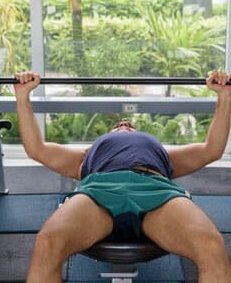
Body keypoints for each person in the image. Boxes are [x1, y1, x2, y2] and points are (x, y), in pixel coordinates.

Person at [13, 70, 231, 283]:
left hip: (156, 190)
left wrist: (224, 96)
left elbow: (212, 150)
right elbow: (36, 149)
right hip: (98, 191)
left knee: (211, 246)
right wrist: (22, 96)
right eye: (118, 125)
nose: (124, 124)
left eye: (129, 125)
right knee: (47, 244)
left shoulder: (162, 155)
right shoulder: (85, 156)